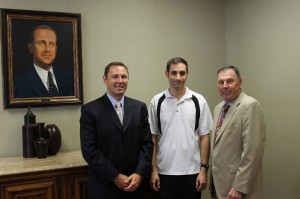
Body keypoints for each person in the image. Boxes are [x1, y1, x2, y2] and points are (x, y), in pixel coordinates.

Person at [80, 61, 154, 199]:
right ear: (105, 79)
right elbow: (89, 150)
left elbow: (147, 144)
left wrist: (139, 173)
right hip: (104, 186)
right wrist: (115, 176)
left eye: (124, 77)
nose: (120, 81)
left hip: (135, 185)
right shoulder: (90, 110)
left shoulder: (140, 108)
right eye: (115, 77)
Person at [148, 57, 213, 199]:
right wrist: (153, 170)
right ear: (167, 74)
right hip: (164, 172)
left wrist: (203, 170)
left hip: (192, 173)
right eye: (174, 73)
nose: (178, 77)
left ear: (187, 74)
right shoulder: (156, 101)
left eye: (182, 73)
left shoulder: (199, 100)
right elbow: (153, 138)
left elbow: (204, 137)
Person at [210, 65, 266, 199]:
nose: (225, 86)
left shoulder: (250, 105)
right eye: (221, 82)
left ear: (240, 83)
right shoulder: (218, 108)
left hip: (238, 188)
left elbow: (253, 151)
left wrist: (239, 187)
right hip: (220, 185)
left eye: (229, 81)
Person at [14, 25, 74, 98]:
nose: (47, 49)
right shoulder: (19, 83)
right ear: (30, 47)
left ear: (56, 48)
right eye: (41, 43)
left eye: (52, 44)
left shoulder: (68, 77)